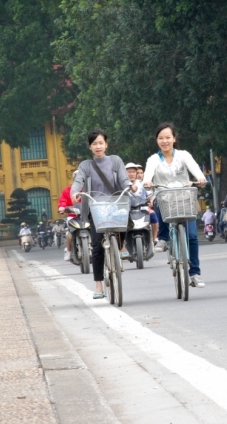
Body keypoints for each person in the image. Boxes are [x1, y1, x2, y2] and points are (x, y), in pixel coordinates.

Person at [71, 128, 134, 299]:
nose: (98, 146)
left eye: (101, 143)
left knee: (126, 219)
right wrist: (74, 192)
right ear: (90, 147)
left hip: (116, 204)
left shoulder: (115, 161)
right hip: (96, 208)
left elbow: (123, 178)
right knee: (97, 247)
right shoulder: (85, 165)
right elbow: (78, 181)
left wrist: (130, 185)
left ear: (106, 144)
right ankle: (99, 285)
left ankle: (121, 246)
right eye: (94, 144)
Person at [143, 122, 207, 288]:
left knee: (192, 236)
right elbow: (148, 175)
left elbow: (195, 169)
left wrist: (200, 178)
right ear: (157, 140)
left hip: (185, 198)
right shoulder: (154, 159)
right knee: (157, 199)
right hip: (165, 199)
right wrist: (148, 182)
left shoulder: (183, 155)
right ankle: (163, 238)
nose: (164, 141)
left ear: (174, 139)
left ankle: (195, 273)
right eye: (161, 138)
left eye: (168, 137)